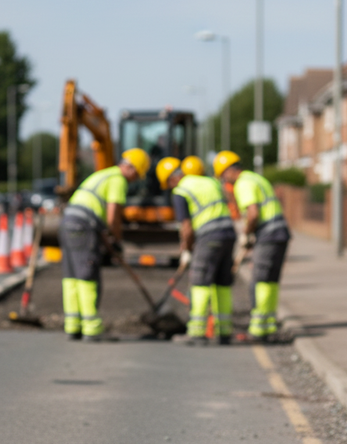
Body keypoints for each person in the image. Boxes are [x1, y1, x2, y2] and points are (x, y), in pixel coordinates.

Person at [60, 148, 150, 341]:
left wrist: (105, 236)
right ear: (132, 168)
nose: (135, 179)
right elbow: (113, 215)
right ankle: (91, 328)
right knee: (87, 274)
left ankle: (73, 325)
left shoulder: (104, 174)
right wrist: (116, 239)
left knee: (72, 276)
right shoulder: (118, 180)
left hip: (69, 222)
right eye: (137, 174)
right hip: (84, 225)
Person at [157, 157, 236, 345]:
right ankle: (224, 331)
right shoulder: (210, 181)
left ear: (172, 178)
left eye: (168, 183)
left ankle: (196, 332)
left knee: (200, 282)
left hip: (208, 237)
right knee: (222, 283)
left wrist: (187, 249)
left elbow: (187, 227)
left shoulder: (181, 191)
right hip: (229, 234)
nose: (169, 187)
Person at [213, 150, 291, 341]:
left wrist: (246, 234)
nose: (225, 181)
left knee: (260, 279)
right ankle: (268, 326)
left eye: (223, 176)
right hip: (279, 233)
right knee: (271, 280)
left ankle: (257, 330)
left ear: (229, 171)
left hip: (268, 234)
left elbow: (253, 213)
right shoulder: (255, 178)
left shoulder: (243, 184)